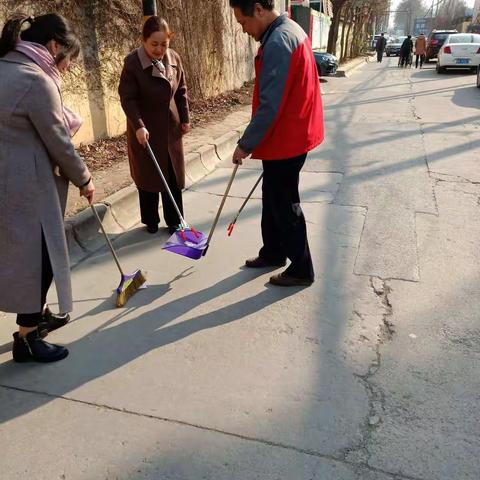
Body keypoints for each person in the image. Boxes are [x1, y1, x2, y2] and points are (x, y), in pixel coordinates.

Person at [0, 13, 95, 362]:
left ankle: (36, 316)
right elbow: (59, 142)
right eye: (69, 59)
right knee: (40, 259)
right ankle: (27, 338)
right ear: (54, 46)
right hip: (30, 189)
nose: (68, 67)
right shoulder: (36, 81)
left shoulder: (5, 67)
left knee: (20, 256)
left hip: (7, 182)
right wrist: (84, 178)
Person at [229, 0, 323, 287]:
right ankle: (273, 251)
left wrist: (245, 144)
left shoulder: (279, 42)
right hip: (288, 134)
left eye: (243, 22)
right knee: (272, 197)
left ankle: (301, 268)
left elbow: (270, 106)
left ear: (258, 9)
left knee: (284, 203)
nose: (244, 30)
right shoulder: (288, 30)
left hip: (288, 137)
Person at [118, 16, 190, 235]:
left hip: (169, 128)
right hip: (144, 129)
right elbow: (127, 98)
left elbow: (181, 91)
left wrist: (185, 118)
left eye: (164, 44)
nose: (159, 50)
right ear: (143, 40)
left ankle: (175, 219)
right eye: (154, 44)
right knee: (148, 175)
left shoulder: (174, 59)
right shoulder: (133, 63)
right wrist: (138, 125)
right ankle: (150, 219)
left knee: (171, 174)